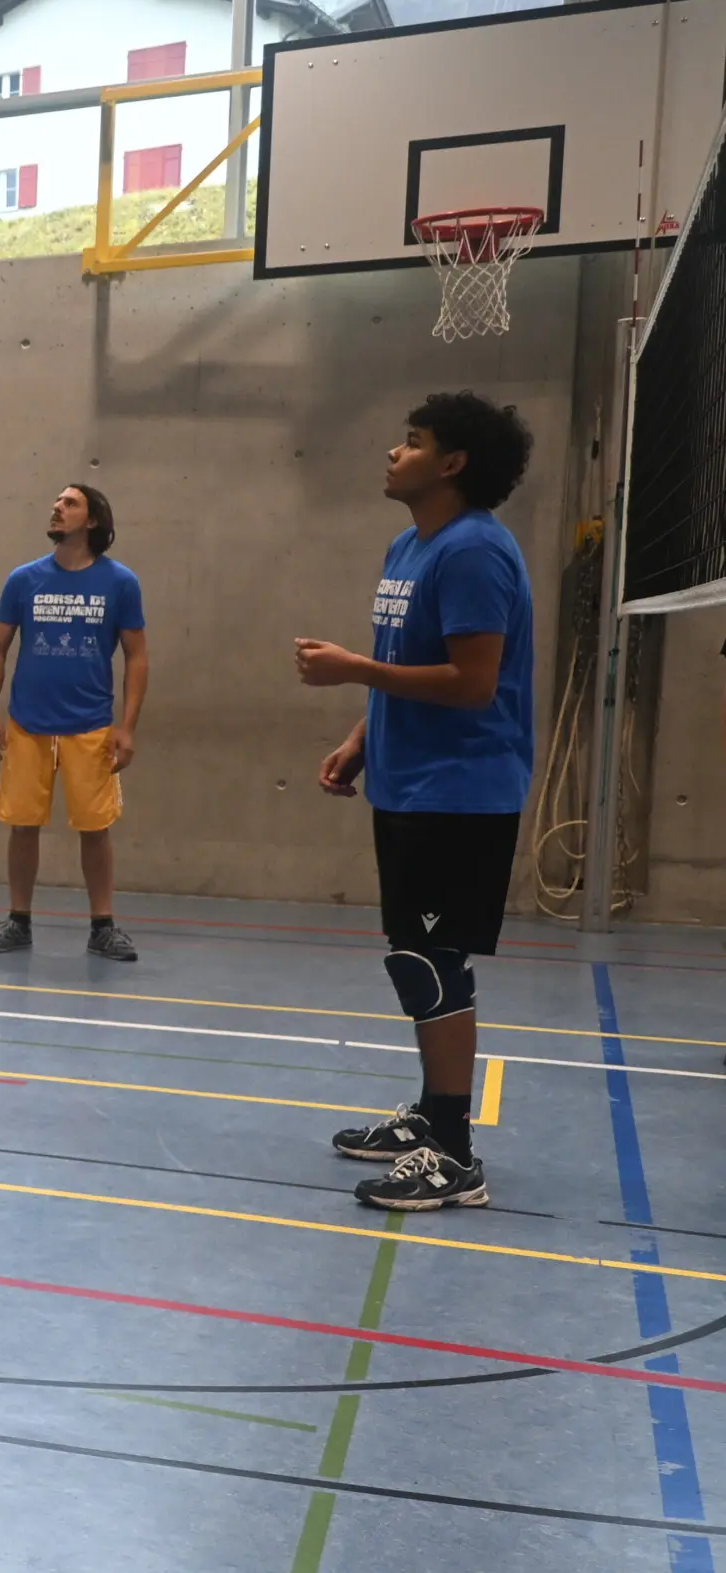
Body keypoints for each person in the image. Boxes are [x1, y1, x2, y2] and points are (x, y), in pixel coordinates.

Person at [296, 392, 537, 1211]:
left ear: (453, 463)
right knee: (416, 961)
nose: (394, 454)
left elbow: (473, 684)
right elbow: (411, 660)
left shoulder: (473, 553)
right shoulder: (410, 544)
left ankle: (455, 1153)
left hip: (463, 792)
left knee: (434, 966)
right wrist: (363, 736)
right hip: (409, 782)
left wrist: (354, 669)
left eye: (413, 442)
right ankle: (432, 1117)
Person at [0, 484, 150, 961]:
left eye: (70, 503)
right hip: (28, 724)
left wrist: (127, 727)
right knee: (22, 825)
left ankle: (103, 926)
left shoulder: (120, 583)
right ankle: (18, 921)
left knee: (95, 828)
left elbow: (137, 657)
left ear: (93, 520)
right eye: (56, 502)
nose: (57, 507)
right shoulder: (23, 580)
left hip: (91, 725)